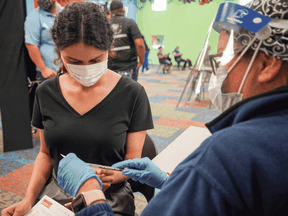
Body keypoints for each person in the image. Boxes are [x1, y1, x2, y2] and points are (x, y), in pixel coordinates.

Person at [43, 0, 288, 215]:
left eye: (225, 57)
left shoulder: (226, 156)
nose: (221, 73)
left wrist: (92, 195)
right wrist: (169, 181)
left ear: (267, 64)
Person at [1, 2, 153, 216]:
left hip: (111, 197)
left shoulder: (132, 94)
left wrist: (113, 177)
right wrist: (28, 200)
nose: (85, 70)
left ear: (109, 50)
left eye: (95, 60)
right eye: (74, 61)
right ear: (59, 53)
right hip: (58, 194)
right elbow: (45, 154)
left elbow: (133, 160)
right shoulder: (46, 92)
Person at [24, 0, 62, 82]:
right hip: (50, 72)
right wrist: (43, 69)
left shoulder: (65, 13)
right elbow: (31, 45)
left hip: (67, 69)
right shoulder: (33, 17)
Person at [108, 0, 145, 81]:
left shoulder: (105, 24)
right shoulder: (130, 23)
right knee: (129, 93)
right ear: (123, 10)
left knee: (113, 93)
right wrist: (141, 61)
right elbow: (140, 44)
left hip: (109, 69)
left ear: (110, 12)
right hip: (128, 67)